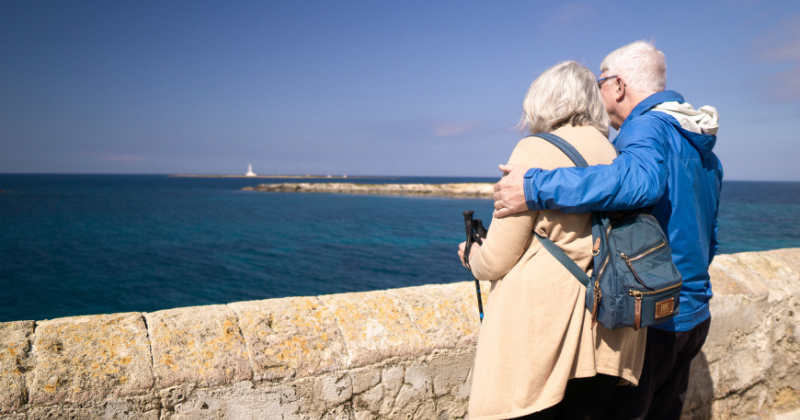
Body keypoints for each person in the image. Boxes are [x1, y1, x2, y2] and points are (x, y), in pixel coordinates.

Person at [492, 41, 722, 420]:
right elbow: (708, 234)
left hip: (654, 317)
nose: (596, 95)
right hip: (693, 312)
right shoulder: (697, 139)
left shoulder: (645, 127)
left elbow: (639, 183)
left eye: (599, 83)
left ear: (617, 85)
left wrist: (535, 187)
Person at [458, 61, 647, 420]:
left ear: (542, 101)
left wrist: (471, 255)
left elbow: (497, 258)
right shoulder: (616, 153)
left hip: (546, 334)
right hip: (608, 331)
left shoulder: (534, 151)